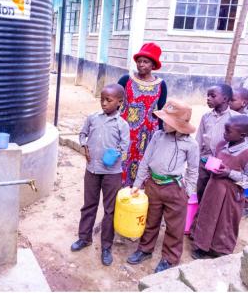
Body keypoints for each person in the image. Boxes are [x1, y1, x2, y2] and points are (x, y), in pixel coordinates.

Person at [127, 98, 199, 273]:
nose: (163, 123)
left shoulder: (191, 145)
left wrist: (187, 192)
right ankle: (145, 249)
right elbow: (145, 161)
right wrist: (138, 183)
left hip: (174, 188)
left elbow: (193, 171)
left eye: (168, 121)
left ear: (179, 124)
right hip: (153, 184)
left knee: (175, 227)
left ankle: (169, 258)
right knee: (150, 220)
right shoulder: (158, 136)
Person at [70, 84, 129, 266]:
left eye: (108, 100)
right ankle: (84, 237)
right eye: (102, 99)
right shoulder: (93, 118)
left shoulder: (122, 124)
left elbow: (125, 147)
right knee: (89, 204)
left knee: (110, 210)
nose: (103, 103)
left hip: (112, 173)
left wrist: (115, 154)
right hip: (92, 170)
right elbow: (83, 134)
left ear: (119, 102)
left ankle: (106, 246)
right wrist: (85, 146)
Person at [192, 115, 248, 259]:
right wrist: (209, 164)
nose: (224, 134)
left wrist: (229, 173)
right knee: (207, 216)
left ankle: (219, 250)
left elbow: (246, 181)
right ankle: (201, 246)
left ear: (243, 135)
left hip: (231, 196)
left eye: (228, 131)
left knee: (226, 222)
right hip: (213, 189)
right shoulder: (221, 144)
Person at [118, 42, 168, 186]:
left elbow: (161, 110)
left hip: (147, 134)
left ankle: (138, 194)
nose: (141, 65)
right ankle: (120, 192)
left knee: (144, 163)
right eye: (139, 61)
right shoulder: (126, 80)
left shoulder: (160, 85)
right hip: (126, 130)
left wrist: (161, 134)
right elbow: (115, 102)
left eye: (145, 62)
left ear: (153, 65)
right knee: (122, 161)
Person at [196, 84, 240, 203]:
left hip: (224, 165)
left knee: (216, 192)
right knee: (201, 189)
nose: (208, 98)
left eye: (213, 96)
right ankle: (199, 215)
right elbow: (199, 139)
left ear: (225, 99)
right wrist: (196, 159)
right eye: (207, 96)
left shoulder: (236, 118)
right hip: (205, 161)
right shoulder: (206, 117)